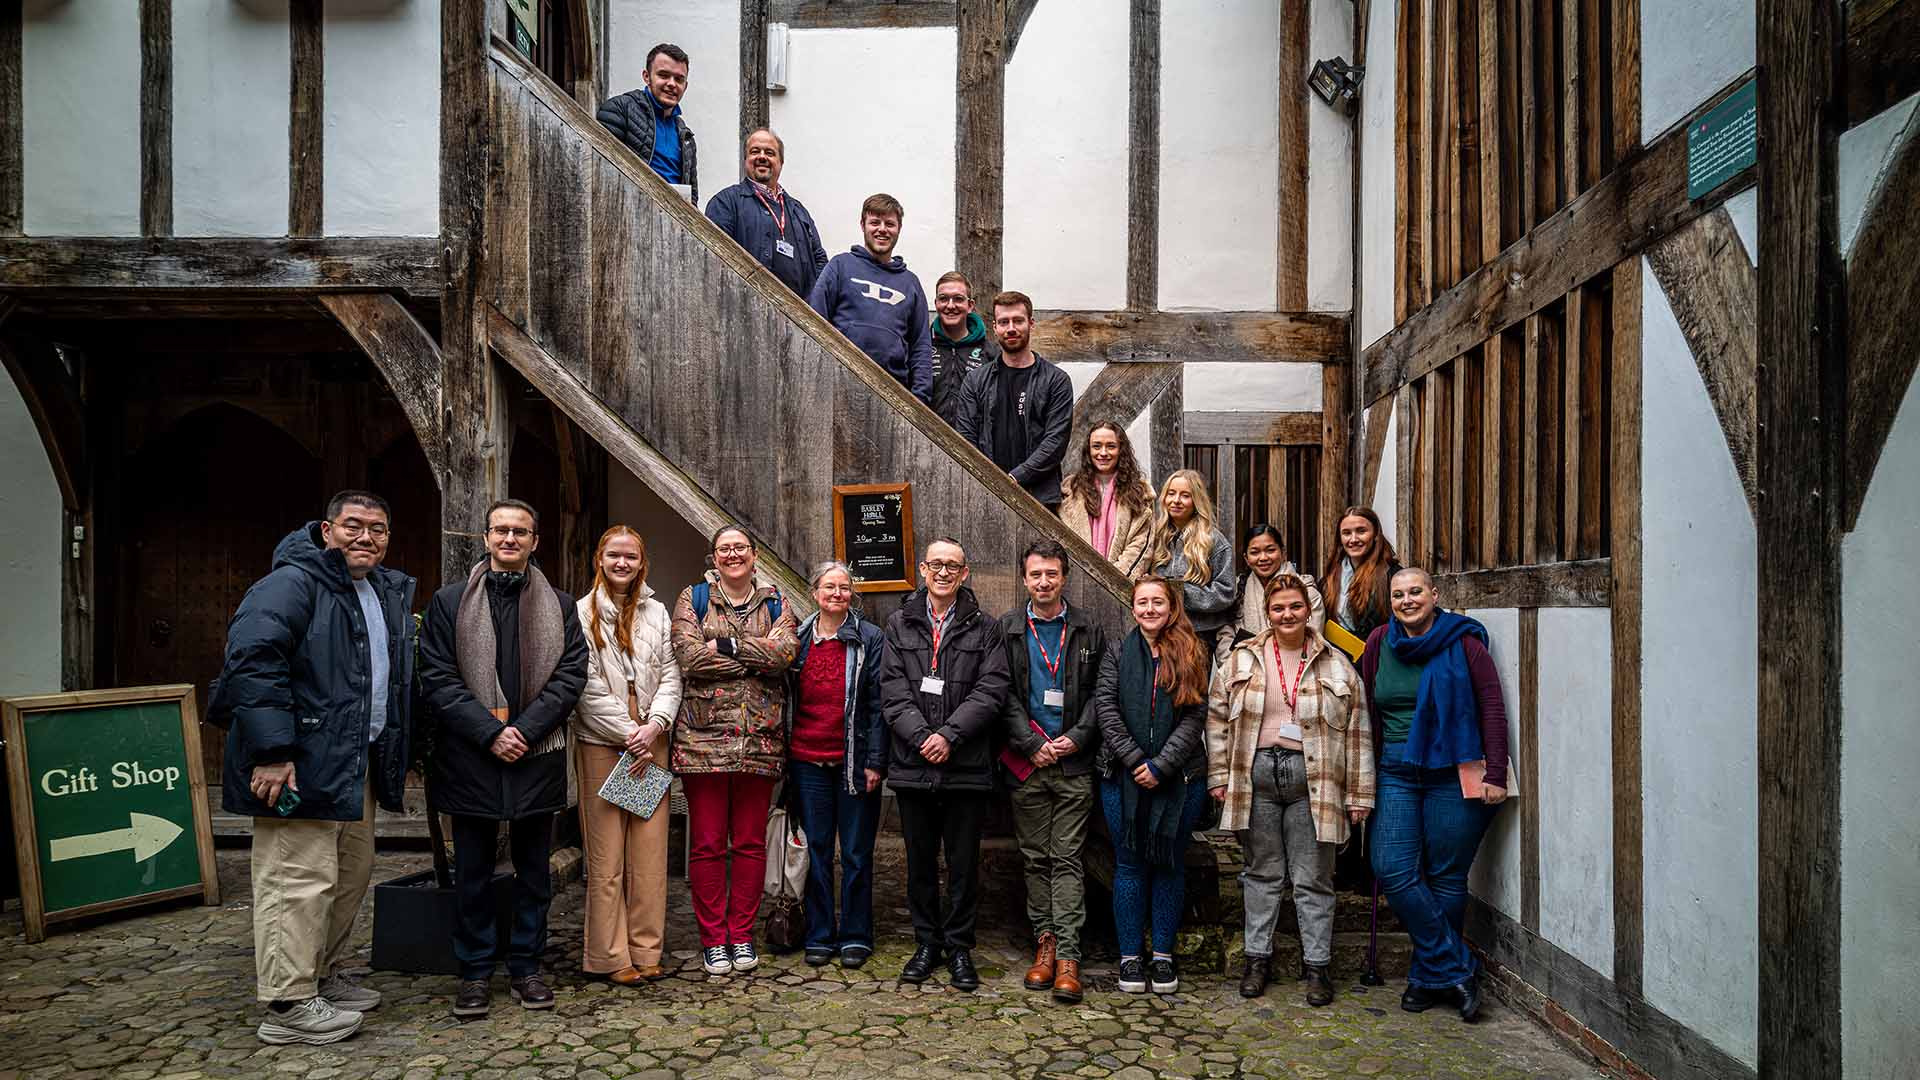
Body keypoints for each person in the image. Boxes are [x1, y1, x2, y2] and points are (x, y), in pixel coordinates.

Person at [218, 491, 414, 1045]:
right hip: (299, 763)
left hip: (354, 761)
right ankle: (287, 1003)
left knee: (348, 874)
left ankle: (319, 976)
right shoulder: (292, 583)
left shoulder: (377, 590)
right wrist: (273, 752)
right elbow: (253, 663)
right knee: (296, 878)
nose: (365, 537)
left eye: (377, 529)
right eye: (353, 526)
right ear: (326, 530)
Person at [420, 499, 589, 1018]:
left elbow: (570, 676)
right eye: (501, 530)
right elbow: (438, 678)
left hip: (536, 758)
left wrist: (525, 730)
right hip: (471, 758)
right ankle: (473, 973)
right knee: (471, 871)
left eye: (521, 531)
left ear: (535, 541)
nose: (510, 539)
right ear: (487, 538)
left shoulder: (560, 606)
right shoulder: (449, 603)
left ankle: (526, 966)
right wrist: (491, 733)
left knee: (534, 873)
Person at [1207, 574, 1373, 1004]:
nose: (1287, 615)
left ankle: (1317, 967)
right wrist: (1219, 776)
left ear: (1308, 609)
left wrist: (1358, 795)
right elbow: (1217, 722)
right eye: (1278, 607)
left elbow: (1358, 733)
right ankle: (1256, 960)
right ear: (1268, 612)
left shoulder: (1337, 664)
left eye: (1294, 607)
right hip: (1255, 780)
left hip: (1313, 784)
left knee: (1313, 879)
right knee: (1261, 874)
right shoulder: (1242, 660)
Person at [1360, 567, 1510, 1022]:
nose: (1407, 600)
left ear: (1434, 594)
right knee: (1392, 867)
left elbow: (1491, 706)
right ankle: (1458, 970)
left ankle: (1426, 977)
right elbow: (1368, 707)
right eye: (1399, 594)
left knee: (1447, 877)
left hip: (1454, 771)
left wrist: (1497, 774)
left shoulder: (1465, 642)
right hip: (1397, 771)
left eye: (1416, 591)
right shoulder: (1378, 643)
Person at [880, 537, 1010, 991]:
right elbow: (892, 690)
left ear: (965, 573)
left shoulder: (986, 627)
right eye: (936, 564)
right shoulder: (899, 624)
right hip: (913, 764)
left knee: (962, 865)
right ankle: (926, 944)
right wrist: (922, 737)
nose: (943, 572)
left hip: (965, 765)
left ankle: (958, 948)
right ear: (922, 569)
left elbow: (992, 689)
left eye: (952, 565)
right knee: (918, 862)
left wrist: (949, 736)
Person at [670, 525, 800, 977]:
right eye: (724, 548)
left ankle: (741, 935)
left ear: (754, 554)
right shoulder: (693, 600)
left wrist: (724, 644)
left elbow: (784, 654)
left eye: (740, 548)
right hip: (702, 742)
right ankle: (713, 940)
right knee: (706, 846)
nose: (732, 555)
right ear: (714, 555)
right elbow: (689, 657)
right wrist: (754, 654)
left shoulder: (777, 602)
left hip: (760, 743)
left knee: (748, 844)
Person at [572, 526, 683, 985]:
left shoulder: (657, 612)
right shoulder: (580, 612)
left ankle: (646, 948)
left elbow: (673, 674)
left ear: (642, 562)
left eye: (631, 557)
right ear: (601, 558)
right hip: (603, 744)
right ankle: (608, 954)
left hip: (650, 744)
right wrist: (627, 731)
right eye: (614, 555)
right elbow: (585, 683)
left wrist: (655, 726)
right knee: (606, 857)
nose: (622, 564)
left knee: (650, 855)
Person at [998, 539, 1108, 1004]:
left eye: (1052, 575)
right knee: (1035, 857)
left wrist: (1076, 739)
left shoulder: (1088, 629)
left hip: (1073, 763)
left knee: (1066, 858)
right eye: (1035, 575)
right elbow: (1000, 695)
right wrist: (1032, 744)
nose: (1044, 582)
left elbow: (1103, 695)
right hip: (1027, 763)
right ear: (1024, 579)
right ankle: (1043, 944)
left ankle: (1068, 956)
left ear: (1065, 577)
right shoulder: (1006, 629)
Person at [1095, 576, 1212, 995]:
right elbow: (1105, 708)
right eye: (1141, 602)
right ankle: (1130, 956)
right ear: (1133, 608)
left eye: (1157, 602)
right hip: (1120, 776)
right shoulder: (1116, 650)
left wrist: (1160, 765)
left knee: (1167, 863)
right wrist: (1134, 759)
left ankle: (1162, 955)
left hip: (1179, 778)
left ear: (1171, 606)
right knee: (1128, 865)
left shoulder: (1193, 651)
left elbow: (1195, 714)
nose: (1149, 609)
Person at [784, 561, 888, 969]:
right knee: (818, 851)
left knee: (858, 853)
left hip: (854, 761)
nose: (837, 594)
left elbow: (879, 704)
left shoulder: (869, 639)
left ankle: (857, 935)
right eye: (830, 587)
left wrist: (875, 760)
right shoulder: (796, 640)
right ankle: (820, 933)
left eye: (844, 588)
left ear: (852, 595)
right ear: (815, 592)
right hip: (807, 761)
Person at [953, 291, 1075, 511]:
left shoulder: (1056, 380)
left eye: (1018, 321)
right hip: (986, 496)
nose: (1011, 328)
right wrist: (992, 481)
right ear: (995, 327)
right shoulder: (975, 381)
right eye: (1003, 322)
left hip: (1040, 499)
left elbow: (1055, 443)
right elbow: (965, 439)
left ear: (1031, 323)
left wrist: (1015, 478)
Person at [808, 193, 934, 404]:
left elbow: (921, 345)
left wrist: (920, 397)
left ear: (899, 229)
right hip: (839, 385)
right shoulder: (840, 266)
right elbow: (814, 323)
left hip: (894, 394)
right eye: (875, 222)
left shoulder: (910, 283)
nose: (882, 229)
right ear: (863, 225)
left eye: (890, 224)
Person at [705, 128, 828, 299]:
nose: (762, 157)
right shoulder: (725, 202)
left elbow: (820, 261)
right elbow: (714, 258)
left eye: (770, 153)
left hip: (797, 319)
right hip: (744, 310)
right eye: (755, 151)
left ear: (781, 162)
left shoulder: (798, 211)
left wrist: (811, 303)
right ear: (745, 160)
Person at [1142, 469, 1238, 664]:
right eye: (1171, 493)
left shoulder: (1214, 541)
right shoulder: (1154, 536)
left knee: (1193, 693)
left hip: (1199, 635)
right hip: (1160, 631)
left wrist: (1180, 592)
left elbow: (1226, 592)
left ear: (1196, 501)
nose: (1176, 500)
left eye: (1185, 495)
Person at [597, 44, 698, 203]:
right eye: (664, 75)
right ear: (646, 76)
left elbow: (692, 199)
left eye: (679, 79)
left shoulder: (686, 137)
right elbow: (601, 169)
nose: (672, 83)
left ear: (685, 86)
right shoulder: (620, 110)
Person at [1217, 524, 1326, 672]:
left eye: (1270, 550)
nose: (1263, 558)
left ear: (1283, 552)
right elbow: (1225, 633)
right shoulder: (1237, 591)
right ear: (1246, 558)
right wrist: (1234, 667)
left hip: (1295, 670)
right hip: (1245, 672)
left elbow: (1314, 639)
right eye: (1255, 552)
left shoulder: (1307, 593)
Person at [1059, 421, 1156, 575]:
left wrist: (1113, 580)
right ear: (1088, 450)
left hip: (1120, 585)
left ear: (1121, 450)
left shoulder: (1139, 492)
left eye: (1111, 446)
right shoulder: (1071, 489)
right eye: (1096, 446)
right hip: (1078, 581)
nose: (1103, 453)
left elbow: (1141, 545)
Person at [1318, 506, 1402, 663]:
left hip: (1379, 661)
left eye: (1361, 531)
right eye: (1347, 533)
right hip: (1337, 663)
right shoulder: (1328, 580)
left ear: (1376, 534)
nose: (1353, 539)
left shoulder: (1393, 576)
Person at [929, 270, 1000, 426]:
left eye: (958, 299)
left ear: (970, 305)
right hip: (928, 442)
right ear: (936, 304)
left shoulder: (991, 353)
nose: (950, 305)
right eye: (943, 299)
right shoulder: (923, 348)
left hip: (974, 446)